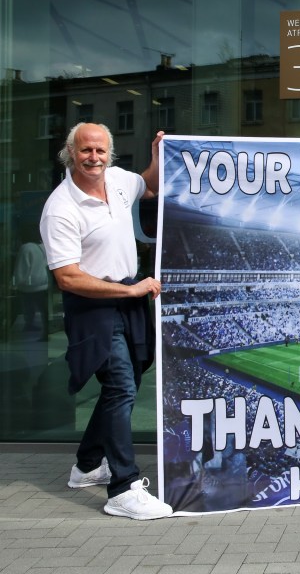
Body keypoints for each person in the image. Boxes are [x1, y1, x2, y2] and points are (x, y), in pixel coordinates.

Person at [39, 122, 172, 520]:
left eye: (99, 151)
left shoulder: (117, 180)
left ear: (109, 153)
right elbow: (67, 276)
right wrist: (130, 291)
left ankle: (86, 467)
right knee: (121, 387)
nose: (93, 158)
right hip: (94, 306)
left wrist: (156, 157)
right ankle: (123, 488)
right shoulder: (60, 207)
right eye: (85, 151)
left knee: (126, 383)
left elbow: (149, 185)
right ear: (70, 152)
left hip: (129, 299)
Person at [12, 224, 49, 339]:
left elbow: (22, 268)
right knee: (43, 308)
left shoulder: (26, 248)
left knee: (28, 307)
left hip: (28, 284)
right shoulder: (42, 247)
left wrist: (14, 283)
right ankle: (45, 331)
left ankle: (29, 324)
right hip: (42, 283)